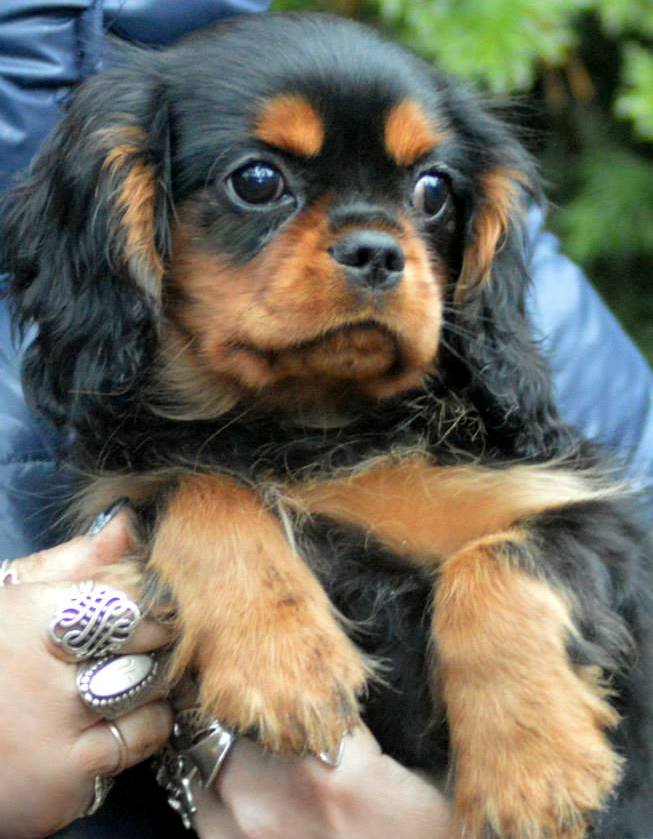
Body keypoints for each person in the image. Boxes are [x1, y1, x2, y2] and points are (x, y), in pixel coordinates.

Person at [1, 2, 652, 838]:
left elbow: (605, 539)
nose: (378, 245)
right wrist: (201, 530)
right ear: (131, 222)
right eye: (259, 183)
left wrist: (504, 622)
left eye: (426, 194)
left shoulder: (470, 453)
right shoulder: (168, 491)